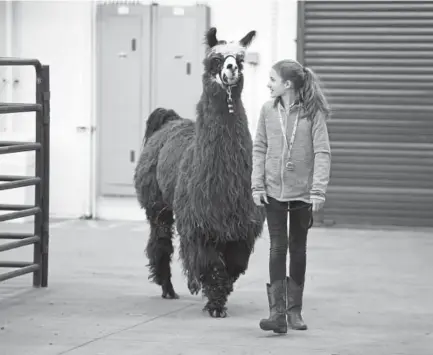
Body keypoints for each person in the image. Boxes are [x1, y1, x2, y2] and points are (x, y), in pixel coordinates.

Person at [252, 59, 331, 334]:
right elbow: (259, 148)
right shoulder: (266, 110)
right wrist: (257, 186)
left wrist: (318, 188)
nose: (268, 84)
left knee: (298, 249)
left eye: (272, 80)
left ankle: (295, 311)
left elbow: (322, 152)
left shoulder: (313, 113)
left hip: (302, 193)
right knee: (277, 248)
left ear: (287, 85)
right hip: (273, 191)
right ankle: (277, 314)